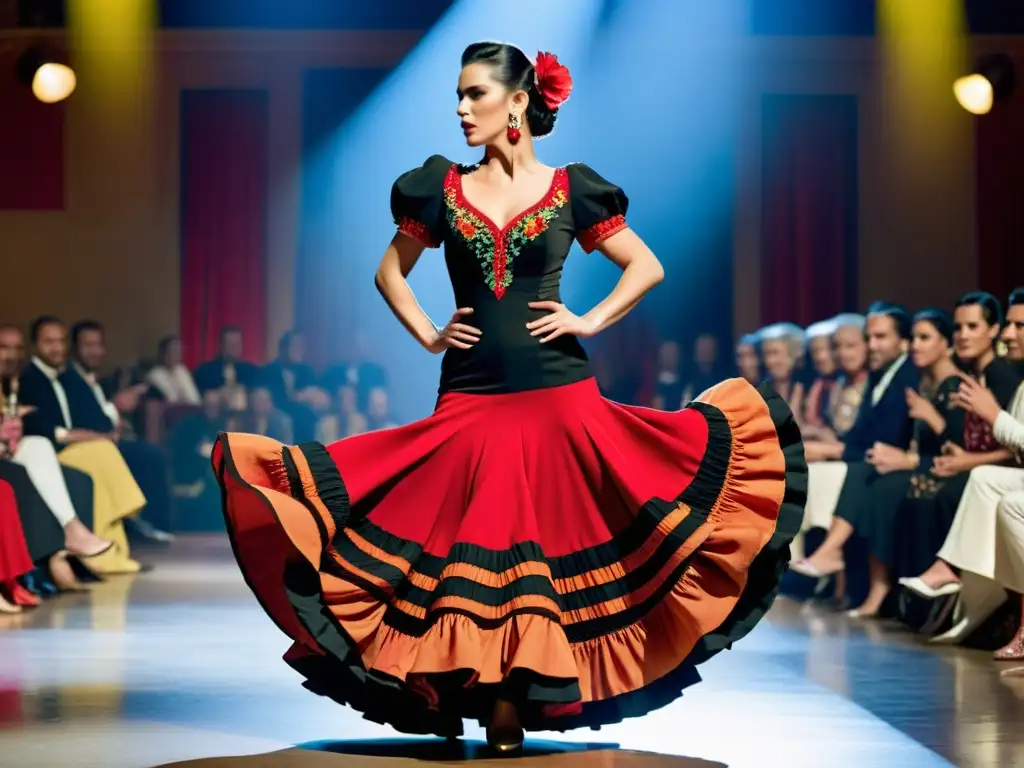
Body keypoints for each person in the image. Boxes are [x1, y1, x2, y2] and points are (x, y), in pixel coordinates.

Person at [212, 43, 805, 751]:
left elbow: (645, 266)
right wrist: (431, 334)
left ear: (517, 102)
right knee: (476, 542)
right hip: (471, 396)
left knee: (547, 542)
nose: (461, 110)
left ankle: (509, 703)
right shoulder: (439, 189)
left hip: (559, 394)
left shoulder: (571, 189)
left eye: (474, 95)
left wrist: (587, 319)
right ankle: (483, 694)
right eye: (457, 98)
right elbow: (388, 273)